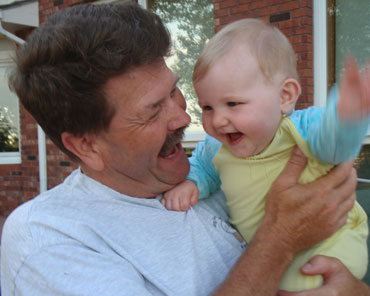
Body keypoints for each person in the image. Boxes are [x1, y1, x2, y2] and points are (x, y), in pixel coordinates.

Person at [0, 3, 368, 295]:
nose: (184, 116)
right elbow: (279, 238)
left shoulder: (213, 171)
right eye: (153, 110)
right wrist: (281, 239)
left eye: (174, 91)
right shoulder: (50, 239)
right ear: (87, 145)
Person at [161, 18, 370, 291]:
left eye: (232, 103)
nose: (218, 120)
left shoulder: (304, 129)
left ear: (285, 96)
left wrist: (347, 117)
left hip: (330, 245)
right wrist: (192, 183)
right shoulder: (216, 147)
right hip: (273, 258)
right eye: (208, 107)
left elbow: (333, 145)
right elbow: (202, 167)